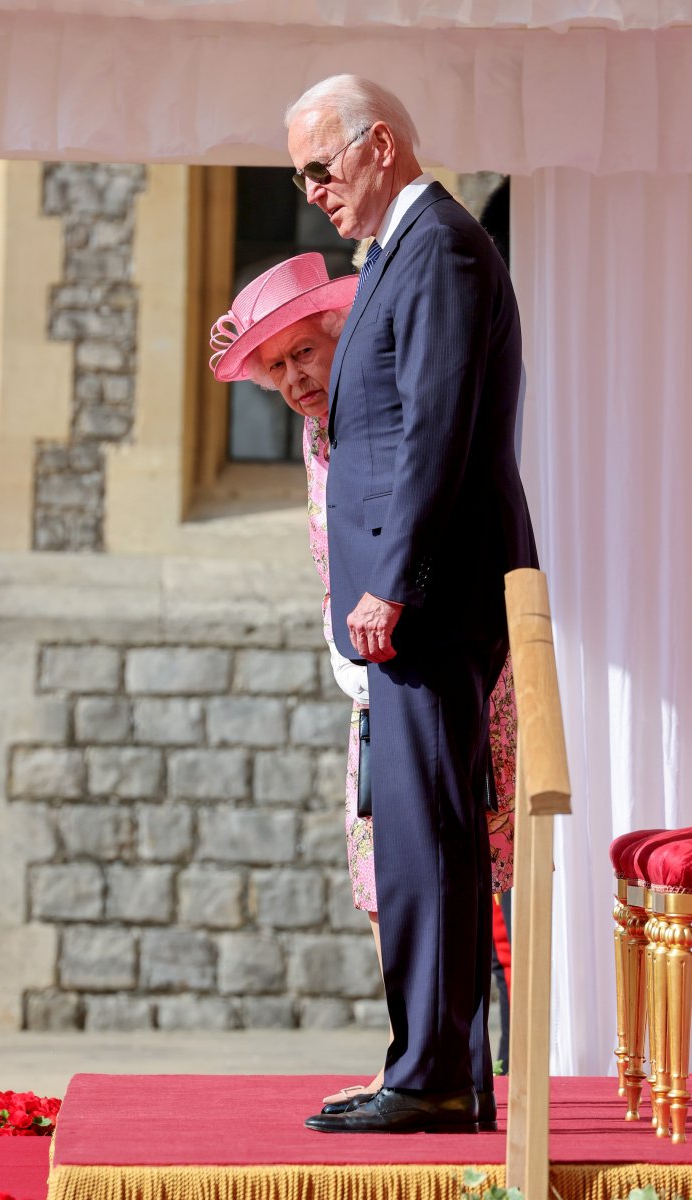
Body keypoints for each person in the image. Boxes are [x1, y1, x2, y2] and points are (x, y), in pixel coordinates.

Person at [209, 251, 520, 1119]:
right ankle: (431, 1066)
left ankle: (466, 1073)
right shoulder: (320, 427)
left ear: (340, 331)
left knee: (479, 865)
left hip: (435, 651)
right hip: (370, 665)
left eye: (302, 353)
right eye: (275, 370)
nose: (294, 379)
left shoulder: (380, 394)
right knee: (388, 874)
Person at [284, 76, 538, 1135]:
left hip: (424, 604)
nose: (311, 194)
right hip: (406, 605)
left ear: (378, 145)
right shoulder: (400, 251)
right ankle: (430, 1065)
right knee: (414, 843)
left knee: (431, 840)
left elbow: (435, 425)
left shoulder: (436, 245)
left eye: (319, 168)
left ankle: (433, 1075)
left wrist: (391, 578)